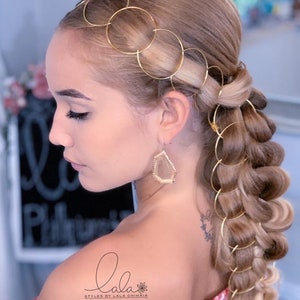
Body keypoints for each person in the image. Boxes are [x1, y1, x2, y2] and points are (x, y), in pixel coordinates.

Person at [38, 0, 294, 299]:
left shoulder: (81, 286)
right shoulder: (235, 226)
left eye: (78, 111)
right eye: (55, 105)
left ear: (169, 114)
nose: (56, 136)